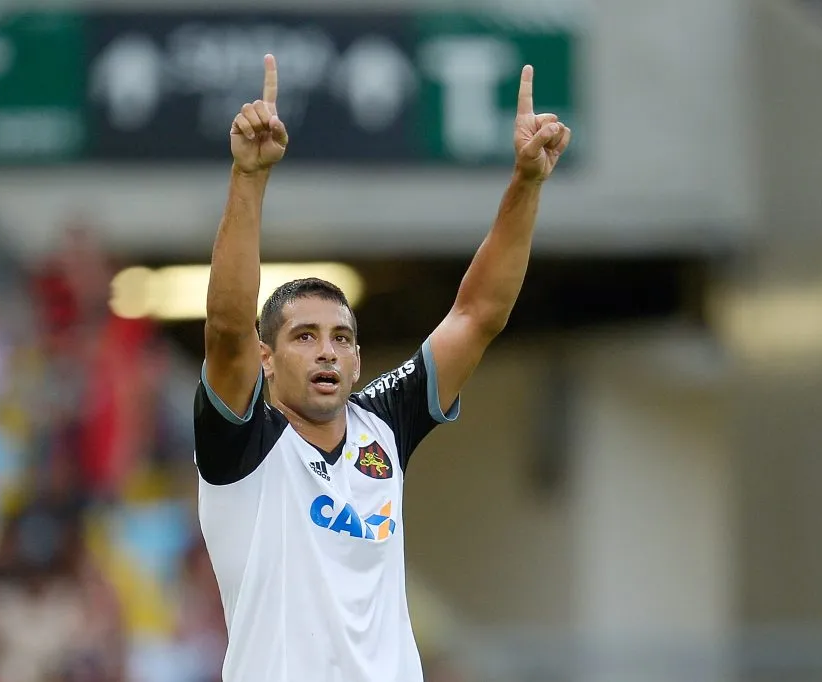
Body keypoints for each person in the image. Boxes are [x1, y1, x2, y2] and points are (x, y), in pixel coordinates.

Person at [193, 54, 570, 682]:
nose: (327, 351)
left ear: (359, 359)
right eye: (304, 336)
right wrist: (248, 177)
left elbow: (476, 314)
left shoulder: (382, 427)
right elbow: (227, 329)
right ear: (266, 358)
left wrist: (526, 183)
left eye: (342, 338)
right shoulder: (243, 446)